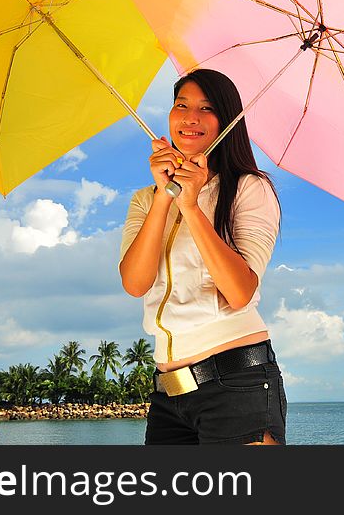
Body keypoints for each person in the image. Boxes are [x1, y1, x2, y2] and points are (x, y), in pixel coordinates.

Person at [119, 68, 286, 445]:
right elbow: (135, 283)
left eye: (206, 108)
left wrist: (192, 207)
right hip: (167, 395)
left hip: (237, 384)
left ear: (227, 121)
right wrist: (165, 195)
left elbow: (240, 292)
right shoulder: (144, 200)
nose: (190, 117)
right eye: (182, 105)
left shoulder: (249, 188)